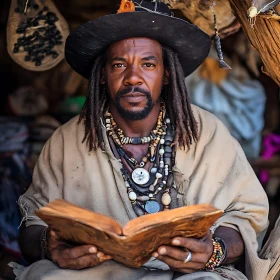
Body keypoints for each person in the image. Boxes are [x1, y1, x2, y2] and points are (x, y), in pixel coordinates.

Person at [16, 1, 270, 279]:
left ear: (166, 74)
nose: (133, 78)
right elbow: (33, 223)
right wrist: (50, 246)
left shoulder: (208, 133)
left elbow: (245, 214)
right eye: (119, 64)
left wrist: (214, 251)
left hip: (187, 274)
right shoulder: (66, 141)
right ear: (102, 75)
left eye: (148, 64)